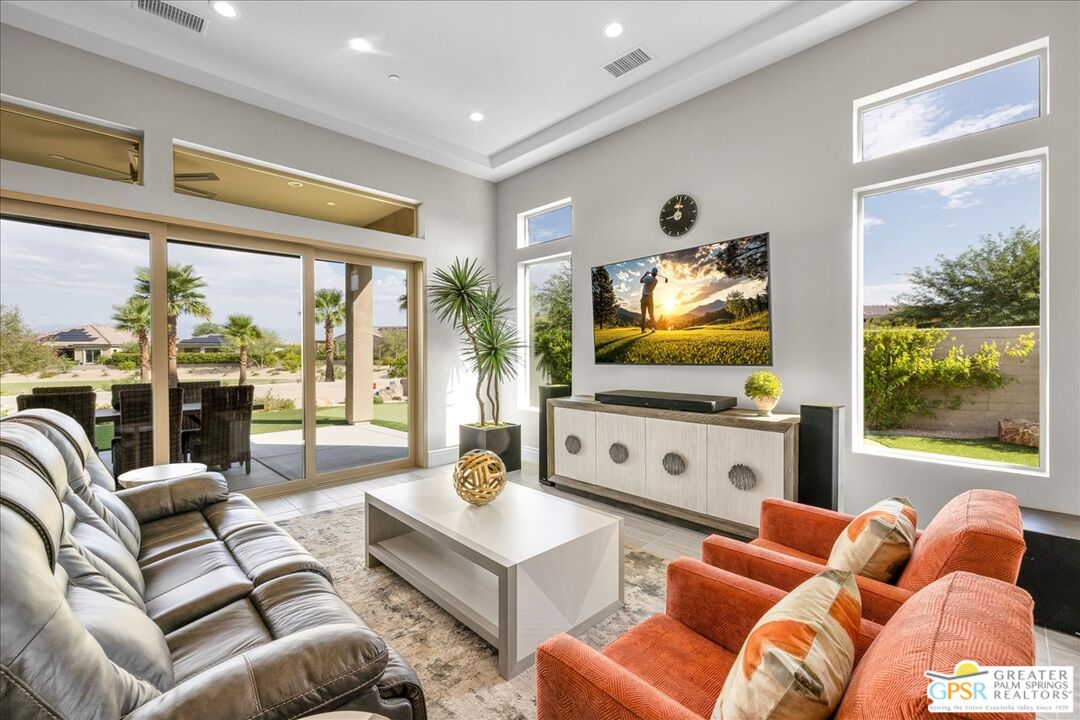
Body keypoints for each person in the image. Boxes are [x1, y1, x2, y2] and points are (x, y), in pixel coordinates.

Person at [639, 267, 666, 333]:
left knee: (643, 315)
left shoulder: (647, 277)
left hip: (644, 297)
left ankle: (643, 330)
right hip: (651, 298)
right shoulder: (656, 281)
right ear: (656, 274)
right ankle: (653, 328)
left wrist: (645, 274)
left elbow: (641, 281)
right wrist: (649, 274)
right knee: (651, 314)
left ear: (652, 272)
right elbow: (651, 278)